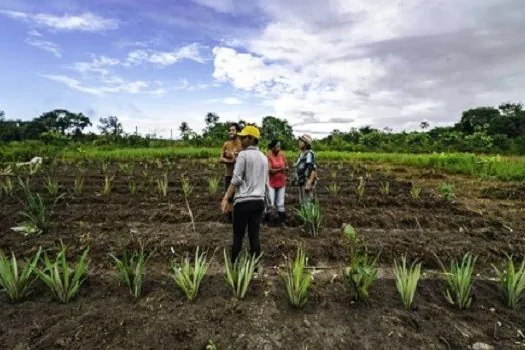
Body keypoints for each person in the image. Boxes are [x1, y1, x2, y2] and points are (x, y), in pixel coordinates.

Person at [221, 125, 268, 264]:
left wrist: (226, 198)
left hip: (243, 202)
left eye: (243, 137)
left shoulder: (243, 155)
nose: (240, 139)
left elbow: (236, 180)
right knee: (254, 236)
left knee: (238, 237)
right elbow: (265, 181)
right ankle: (254, 269)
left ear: (251, 139)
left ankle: (234, 266)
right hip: (259, 201)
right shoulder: (264, 157)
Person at [220, 123, 242, 222]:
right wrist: (230, 160)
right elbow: (221, 158)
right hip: (229, 174)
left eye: (233, 130)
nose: (231, 132)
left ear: (237, 131)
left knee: (239, 197)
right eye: (230, 130)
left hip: (240, 175)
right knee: (228, 196)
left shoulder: (242, 144)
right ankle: (229, 218)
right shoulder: (226, 144)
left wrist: (234, 155)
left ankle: (237, 217)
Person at [265, 140, 288, 227]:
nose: (279, 148)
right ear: (272, 148)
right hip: (271, 183)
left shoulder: (282, 155)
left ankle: (282, 222)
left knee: (280, 203)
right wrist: (280, 169)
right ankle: (267, 222)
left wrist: (286, 168)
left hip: (281, 182)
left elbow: (285, 165)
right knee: (270, 202)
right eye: (277, 146)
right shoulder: (269, 157)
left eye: (279, 146)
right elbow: (269, 170)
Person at [293, 134, 317, 204]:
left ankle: (309, 215)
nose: (299, 143)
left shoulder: (309, 154)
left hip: (306, 181)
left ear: (306, 144)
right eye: (299, 141)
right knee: (302, 201)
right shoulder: (300, 154)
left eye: (301, 142)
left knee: (308, 201)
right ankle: (305, 214)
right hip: (301, 181)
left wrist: (309, 182)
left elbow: (312, 168)